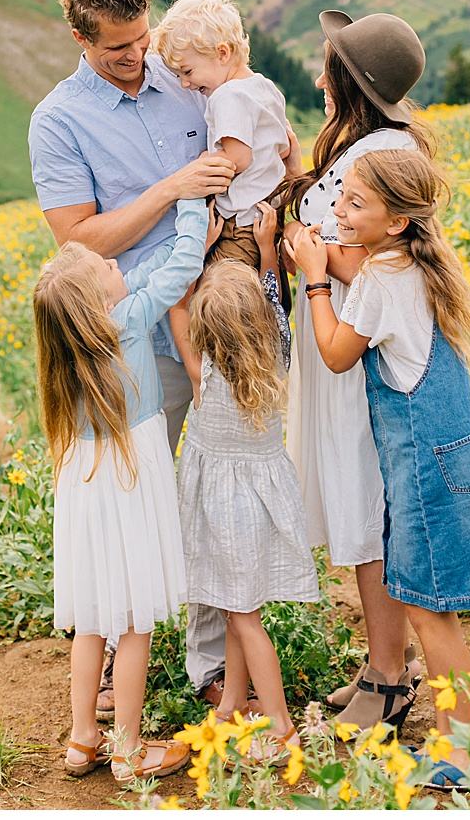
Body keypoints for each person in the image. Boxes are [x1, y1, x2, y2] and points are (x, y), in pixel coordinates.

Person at [30, 0, 295, 710]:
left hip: (212, 322)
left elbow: (259, 142)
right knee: (129, 499)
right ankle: (118, 660)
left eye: (142, 38)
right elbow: (77, 240)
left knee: (214, 491)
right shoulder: (56, 120)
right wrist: (170, 191)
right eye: (117, 47)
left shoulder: (186, 77)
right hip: (125, 345)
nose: (135, 56)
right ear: (80, 38)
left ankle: (210, 664)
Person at [290, 149, 470, 789]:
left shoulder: (383, 281)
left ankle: (462, 755)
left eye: (355, 203)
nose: (338, 210)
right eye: (341, 197)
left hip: (427, 470)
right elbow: (354, 269)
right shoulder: (406, 261)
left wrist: (311, 279)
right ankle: (451, 741)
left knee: (430, 615)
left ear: (394, 221)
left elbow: (336, 353)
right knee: (430, 606)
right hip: (452, 453)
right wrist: (323, 255)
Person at [279, 11, 433, 728]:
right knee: (360, 501)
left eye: (328, 68)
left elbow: (366, 258)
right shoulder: (375, 144)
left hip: (349, 341)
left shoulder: (376, 152)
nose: (317, 78)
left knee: (366, 505)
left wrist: (310, 259)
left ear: (352, 84)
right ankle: (382, 662)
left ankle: (392, 677)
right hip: (339, 334)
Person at [41, 196, 214, 784]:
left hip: (84, 482)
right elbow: (184, 260)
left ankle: (82, 737)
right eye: (109, 266)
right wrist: (191, 200)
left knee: (91, 617)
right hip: (131, 477)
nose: (118, 264)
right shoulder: (133, 316)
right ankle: (128, 748)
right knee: (135, 618)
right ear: (102, 296)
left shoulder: (70, 341)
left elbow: (135, 275)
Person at [175, 205, 317, 759]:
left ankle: (279, 725)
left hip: (226, 513)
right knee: (241, 608)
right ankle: (233, 703)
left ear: (211, 333)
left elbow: (176, 307)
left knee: (245, 619)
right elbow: (274, 300)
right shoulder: (275, 352)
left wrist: (198, 252)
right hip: (262, 501)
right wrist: (262, 252)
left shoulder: (205, 375)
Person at [149, 0, 293, 399]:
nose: (185, 83)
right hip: (264, 219)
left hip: (236, 226)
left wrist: (198, 169)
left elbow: (238, 158)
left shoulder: (227, 96)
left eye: (189, 71)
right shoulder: (264, 87)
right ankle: (255, 378)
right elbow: (278, 149)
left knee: (222, 313)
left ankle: (224, 390)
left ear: (223, 53)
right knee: (262, 302)